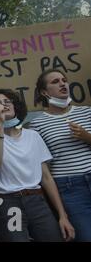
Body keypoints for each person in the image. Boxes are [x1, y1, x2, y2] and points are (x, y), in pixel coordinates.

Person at [0, 88, 75, 242]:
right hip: (6, 202)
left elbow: (46, 178)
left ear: (16, 106)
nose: (3, 105)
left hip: (36, 200)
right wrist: (0, 124)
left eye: (7, 101)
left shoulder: (33, 136)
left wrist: (62, 216)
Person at [30, 69, 91, 241]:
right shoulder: (37, 124)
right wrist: (61, 214)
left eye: (64, 80)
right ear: (44, 92)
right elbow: (43, 169)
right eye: (55, 82)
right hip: (70, 188)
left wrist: (87, 137)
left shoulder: (87, 112)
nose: (62, 83)